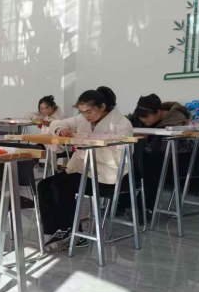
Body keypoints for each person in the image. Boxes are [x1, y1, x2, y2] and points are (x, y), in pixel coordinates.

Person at [37, 87, 133, 252]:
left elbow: (120, 159)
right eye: (82, 112)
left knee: (61, 185)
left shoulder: (122, 124)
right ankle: (54, 232)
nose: (86, 116)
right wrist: (60, 130)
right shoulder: (82, 119)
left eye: (89, 111)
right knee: (44, 185)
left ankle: (74, 233)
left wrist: (84, 140)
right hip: (84, 169)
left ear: (102, 107)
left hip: (107, 175)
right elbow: (57, 123)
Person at [133, 94, 191, 217]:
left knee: (151, 163)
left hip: (177, 160)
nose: (143, 120)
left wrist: (146, 138)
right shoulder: (148, 120)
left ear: (158, 112)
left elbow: (164, 147)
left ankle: (145, 207)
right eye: (140, 118)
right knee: (128, 161)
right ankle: (127, 202)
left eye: (145, 117)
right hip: (154, 158)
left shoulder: (176, 121)